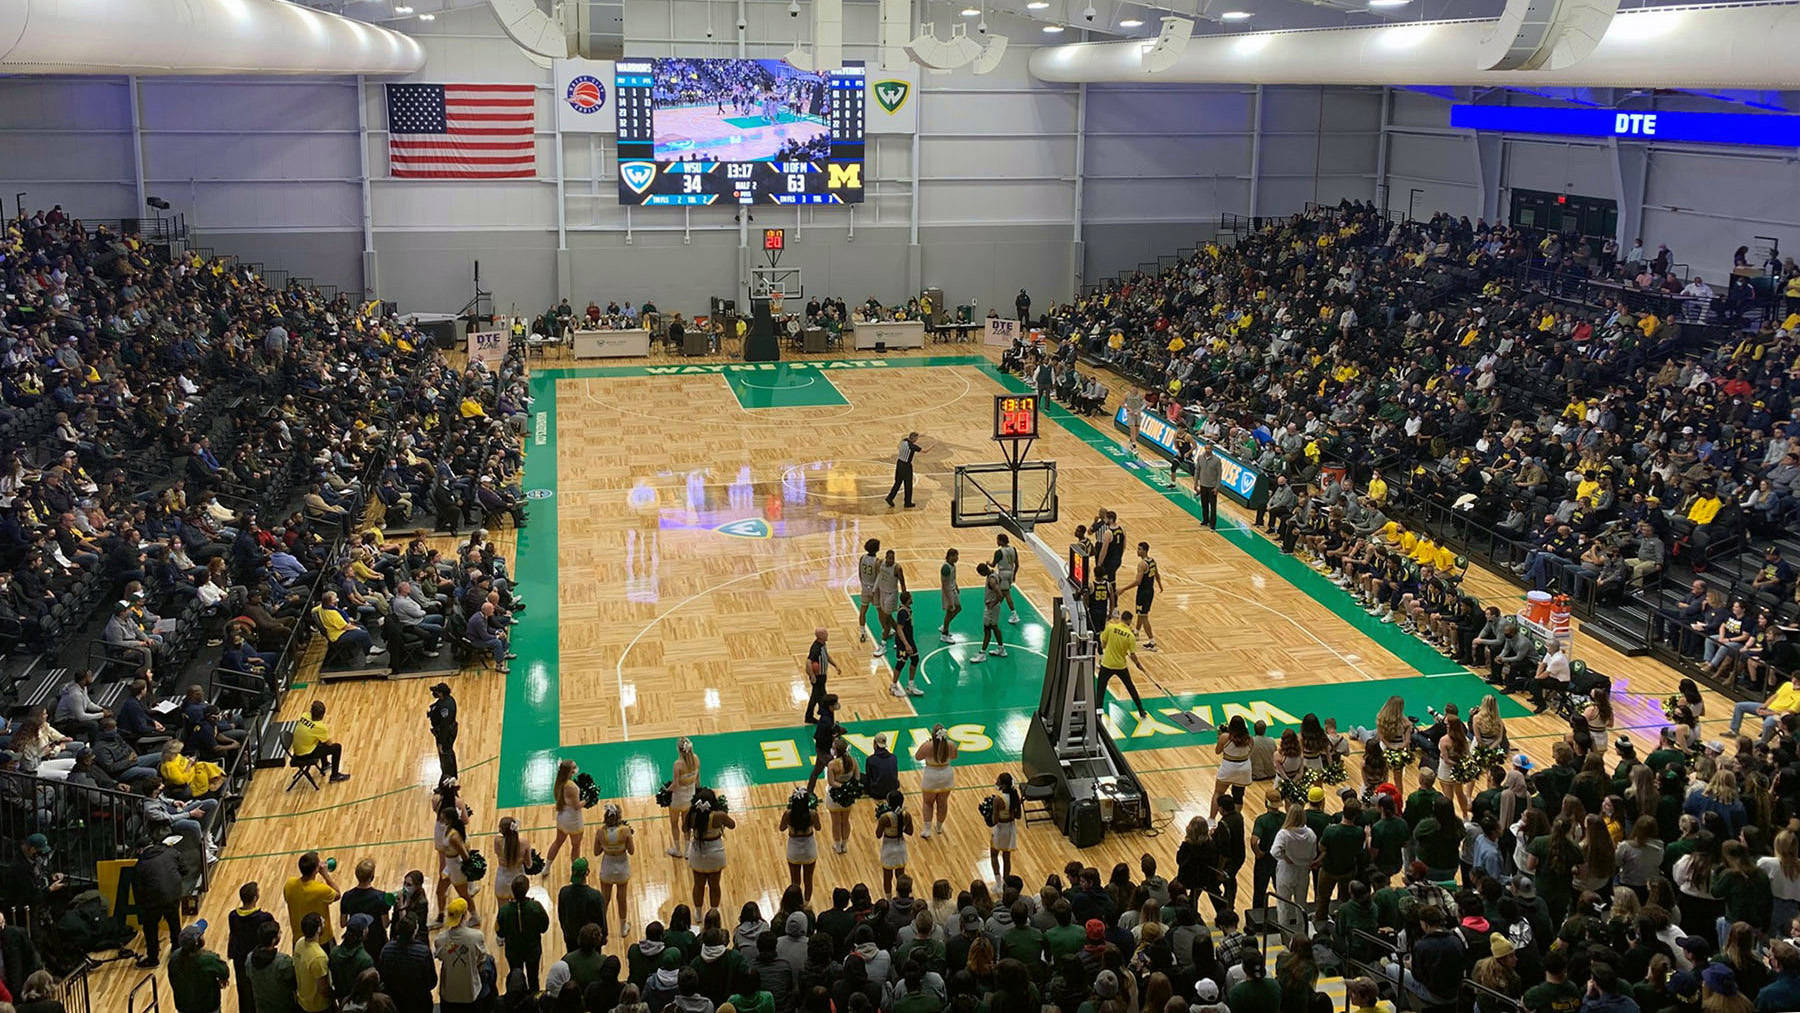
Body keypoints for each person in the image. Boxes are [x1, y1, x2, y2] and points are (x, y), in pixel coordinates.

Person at [135, 835, 190, 968]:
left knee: (151, 929)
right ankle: (178, 951)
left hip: (153, 901)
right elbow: (185, 870)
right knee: (174, 922)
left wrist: (142, 910)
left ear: (140, 850)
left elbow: (138, 890)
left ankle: (153, 958)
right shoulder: (170, 852)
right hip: (173, 894)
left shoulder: (140, 865)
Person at [496, 875, 550, 994]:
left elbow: (499, 932)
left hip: (513, 951)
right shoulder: (535, 907)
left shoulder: (504, 910)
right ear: (527, 889)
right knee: (533, 979)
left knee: (516, 979)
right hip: (533, 950)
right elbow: (544, 927)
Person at [686, 788, 737, 912]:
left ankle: (698, 913)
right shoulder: (719, 815)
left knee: (698, 886)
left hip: (697, 852)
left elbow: (684, 828)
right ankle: (714, 912)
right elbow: (732, 825)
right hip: (715, 852)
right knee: (714, 886)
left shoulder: (693, 815)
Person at [435, 897, 489, 1013]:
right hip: (470, 993)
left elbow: (440, 956)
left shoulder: (440, 939)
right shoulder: (476, 937)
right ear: (465, 915)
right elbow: (482, 959)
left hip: (448, 994)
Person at [169, 920, 231, 1013]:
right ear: (199, 941)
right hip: (208, 1007)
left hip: (184, 1007)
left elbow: (172, 977)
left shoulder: (174, 957)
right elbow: (224, 971)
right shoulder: (208, 959)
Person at [1097, 611, 1150, 719]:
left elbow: (1103, 644)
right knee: (1130, 687)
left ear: (1121, 618)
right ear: (1129, 620)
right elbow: (1133, 654)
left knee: (1101, 688)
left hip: (1107, 664)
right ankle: (1141, 711)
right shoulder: (1130, 635)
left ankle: (1098, 711)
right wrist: (1138, 664)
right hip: (1120, 666)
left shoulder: (1110, 627)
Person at [284, 851, 342, 947]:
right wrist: (325, 875)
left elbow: (287, 899)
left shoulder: (289, 884)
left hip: (299, 941)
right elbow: (337, 894)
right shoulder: (321, 890)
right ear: (316, 870)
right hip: (321, 940)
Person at [595, 804, 634, 934]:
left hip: (607, 868)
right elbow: (631, 851)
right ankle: (623, 928)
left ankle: (601, 928)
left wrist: (606, 846)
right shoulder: (625, 831)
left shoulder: (600, 832)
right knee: (621, 898)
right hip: (622, 868)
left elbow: (596, 852)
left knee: (605, 899)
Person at [913, 724, 957, 840]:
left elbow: (917, 757)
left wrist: (928, 745)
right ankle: (939, 827)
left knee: (928, 803)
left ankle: (927, 829)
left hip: (931, 776)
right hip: (946, 775)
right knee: (943, 802)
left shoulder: (927, 746)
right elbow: (954, 756)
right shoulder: (951, 745)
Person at [779, 787, 822, 903]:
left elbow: (781, 828)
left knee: (795, 882)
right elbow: (818, 828)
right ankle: (806, 904)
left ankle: (796, 904)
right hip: (809, 850)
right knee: (808, 881)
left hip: (794, 851)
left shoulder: (788, 814)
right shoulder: (812, 814)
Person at [292, 700, 350, 783]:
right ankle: (334, 775)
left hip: (298, 750)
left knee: (319, 740)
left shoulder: (304, 715)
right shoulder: (319, 727)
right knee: (336, 748)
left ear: (311, 711)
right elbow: (329, 743)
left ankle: (325, 764)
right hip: (305, 755)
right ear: (322, 715)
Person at [248, 921, 300, 1013]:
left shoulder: (249, 958)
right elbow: (294, 983)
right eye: (279, 933)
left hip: (261, 1007)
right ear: (273, 940)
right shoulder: (283, 962)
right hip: (283, 1007)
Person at [1120, 542, 1163, 649]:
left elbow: (1138, 582)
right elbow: (1157, 574)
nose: (1137, 551)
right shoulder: (1152, 561)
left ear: (1144, 550)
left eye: (1139, 549)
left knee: (1144, 617)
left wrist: (1123, 589)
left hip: (1143, 592)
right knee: (1140, 612)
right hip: (1150, 591)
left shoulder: (1142, 564)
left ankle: (1152, 641)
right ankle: (1136, 632)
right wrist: (1160, 585)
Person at [546, 759, 585, 868]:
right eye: (574, 767)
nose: (576, 768)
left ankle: (547, 867)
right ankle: (575, 870)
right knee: (576, 846)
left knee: (558, 842)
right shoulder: (571, 787)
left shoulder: (559, 782)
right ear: (569, 771)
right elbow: (577, 806)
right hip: (573, 820)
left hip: (562, 817)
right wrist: (588, 799)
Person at [876, 790, 914, 895]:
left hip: (888, 848)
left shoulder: (885, 817)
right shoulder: (906, 815)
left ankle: (888, 899)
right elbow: (910, 832)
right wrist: (901, 828)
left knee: (887, 877)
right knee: (900, 876)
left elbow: (878, 835)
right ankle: (900, 896)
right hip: (901, 848)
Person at [968, 563, 1009, 663]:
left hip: (991, 608)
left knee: (987, 629)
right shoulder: (994, 574)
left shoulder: (991, 580)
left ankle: (982, 654)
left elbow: (1000, 595)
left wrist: (993, 604)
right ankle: (1001, 649)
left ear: (983, 572)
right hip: (994, 607)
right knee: (994, 627)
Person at [666, 737, 699, 858]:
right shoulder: (696, 759)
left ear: (679, 750)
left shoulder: (678, 764)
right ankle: (687, 851)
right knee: (686, 824)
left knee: (674, 823)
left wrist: (665, 791)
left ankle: (677, 850)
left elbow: (675, 784)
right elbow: (697, 779)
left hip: (678, 799)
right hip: (690, 798)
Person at [986, 773, 1021, 883]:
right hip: (1010, 829)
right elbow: (1018, 816)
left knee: (994, 855)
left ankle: (998, 883)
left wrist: (986, 816)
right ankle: (1006, 882)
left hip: (1000, 829)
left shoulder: (998, 799)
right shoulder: (1015, 796)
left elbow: (994, 821)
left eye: (998, 781)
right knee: (1007, 858)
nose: (997, 783)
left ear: (1004, 785)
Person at [295, 913, 332, 1013]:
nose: (324, 921)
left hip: (302, 1001)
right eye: (322, 921)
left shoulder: (299, 943)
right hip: (318, 1007)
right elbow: (323, 988)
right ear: (318, 929)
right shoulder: (318, 957)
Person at [803, 627, 841, 724]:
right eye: (825, 633)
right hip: (817, 677)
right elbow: (808, 661)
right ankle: (809, 716)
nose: (827, 634)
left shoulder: (823, 644)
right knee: (816, 696)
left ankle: (821, 711)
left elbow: (826, 656)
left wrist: (835, 665)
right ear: (820, 636)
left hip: (822, 676)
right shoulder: (816, 648)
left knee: (821, 695)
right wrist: (812, 675)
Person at [886, 431, 926, 509]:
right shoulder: (912, 447)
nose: (917, 440)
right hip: (906, 466)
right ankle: (907, 502)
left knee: (897, 483)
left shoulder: (904, 441)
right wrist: (933, 446)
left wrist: (921, 435)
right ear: (914, 439)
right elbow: (925, 451)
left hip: (899, 463)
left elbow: (911, 437)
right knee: (908, 485)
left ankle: (890, 498)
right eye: (917, 438)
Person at [427, 682, 458, 779]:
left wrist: (441, 742)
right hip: (444, 731)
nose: (434, 693)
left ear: (441, 693)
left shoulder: (446, 707)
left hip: (446, 735)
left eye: (436, 692)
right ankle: (449, 775)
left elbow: (445, 726)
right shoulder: (445, 700)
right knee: (446, 755)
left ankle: (448, 778)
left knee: (445, 756)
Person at [1192, 444, 1221, 529]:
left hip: (1212, 486)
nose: (1208, 450)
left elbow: (1219, 475)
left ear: (1212, 449)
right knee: (1204, 504)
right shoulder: (1200, 458)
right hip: (1203, 485)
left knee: (1213, 506)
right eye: (1206, 448)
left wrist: (1217, 487)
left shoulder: (1217, 460)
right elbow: (1197, 470)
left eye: (1209, 449)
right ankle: (1205, 520)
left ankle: (1213, 524)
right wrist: (1195, 483)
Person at [938, 548, 962, 642]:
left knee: (958, 608)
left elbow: (953, 579)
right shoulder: (946, 568)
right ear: (951, 556)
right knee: (949, 613)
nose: (957, 558)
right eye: (956, 556)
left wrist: (956, 586)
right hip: (948, 592)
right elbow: (944, 584)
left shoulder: (953, 566)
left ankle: (945, 626)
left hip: (952, 590)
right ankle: (944, 635)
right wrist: (949, 599)